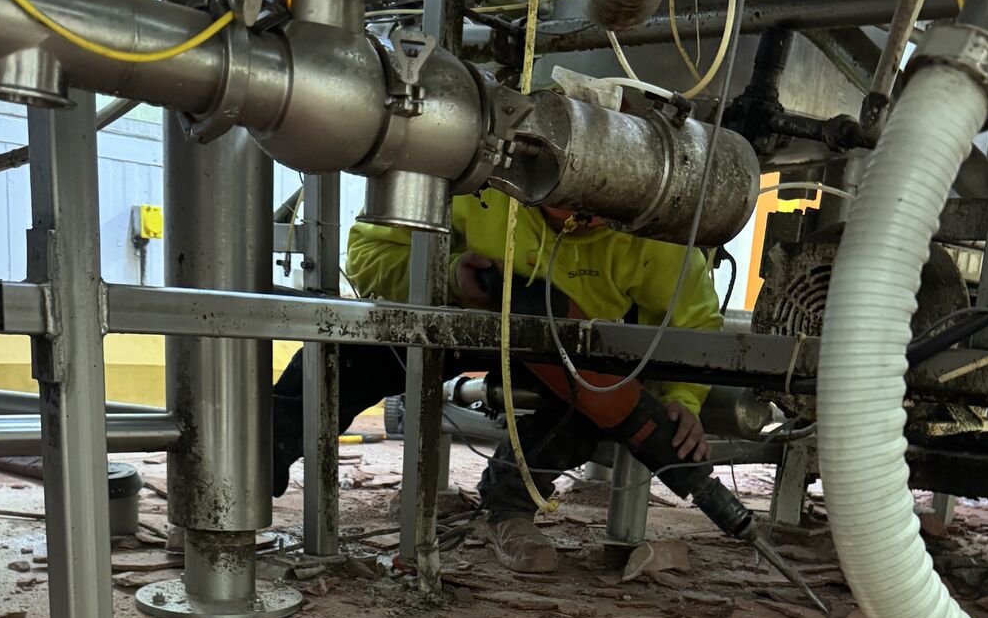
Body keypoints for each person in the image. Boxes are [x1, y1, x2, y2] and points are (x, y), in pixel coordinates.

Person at [271, 187, 722, 572]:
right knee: (344, 355)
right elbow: (371, 252)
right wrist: (447, 277)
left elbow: (695, 324)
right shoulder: (476, 175)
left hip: (569, 344)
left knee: (596, 405)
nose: (584, 221)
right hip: (460, 315)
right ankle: (253, 466)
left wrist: (684, 398)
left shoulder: (656, 224)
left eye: (600, 213)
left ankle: (508, 505)